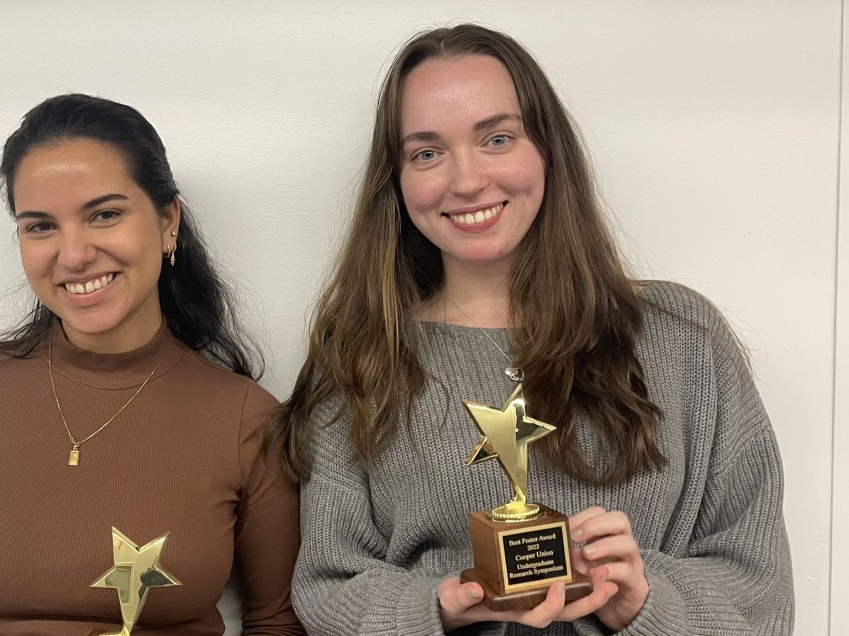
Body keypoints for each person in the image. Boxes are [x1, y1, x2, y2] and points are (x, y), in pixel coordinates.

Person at [270, 24, 793, 635]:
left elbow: (762, 594)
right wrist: (435, 607)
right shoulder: (361, 356)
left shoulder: (685, 341)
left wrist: (644, 603)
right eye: (427, 152)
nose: (466, 181)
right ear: (398, 179)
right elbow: (329, 586)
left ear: (547, 148)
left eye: (496, 138)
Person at [0, 94, 304, 635]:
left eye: (105, 215)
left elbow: (277, 621)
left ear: (169, 221)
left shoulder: (246, 419)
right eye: (41, 226)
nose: (73, 255)